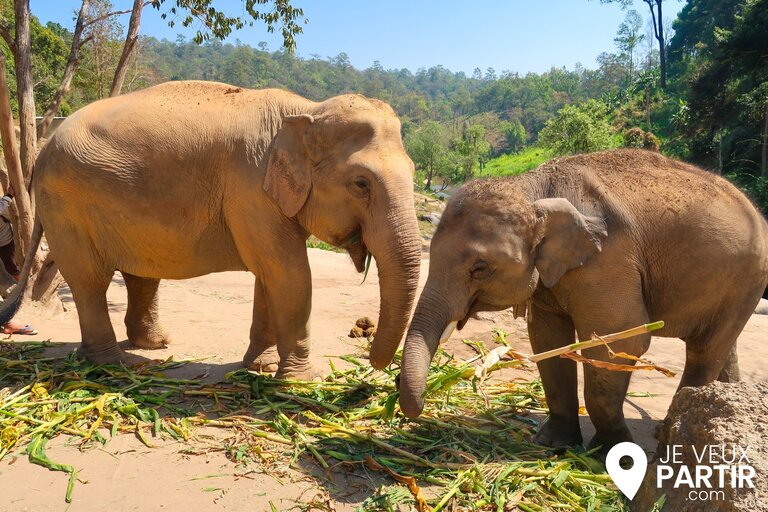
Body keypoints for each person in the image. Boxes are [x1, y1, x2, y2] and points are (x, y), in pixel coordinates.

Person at [0, 184, 36, 335]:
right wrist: (8, 197)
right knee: (10, 285)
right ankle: (7, 322)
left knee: (12, 276)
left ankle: (7, 320)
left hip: (4, 242)